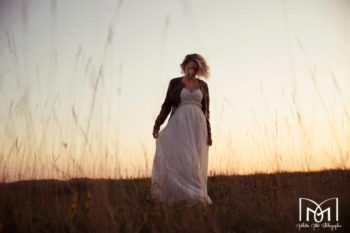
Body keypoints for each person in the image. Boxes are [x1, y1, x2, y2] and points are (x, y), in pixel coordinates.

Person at [151, 53, 213, 205]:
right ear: (183, 67)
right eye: (189, 68)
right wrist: (157, 124)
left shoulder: (203, 86)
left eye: (195, 69)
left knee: (194, 160)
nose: (191, 71)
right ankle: (176, 194)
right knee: (180, 158)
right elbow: (166, 105)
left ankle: (196, 196)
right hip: (179, 123)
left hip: (198, 126)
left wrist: (209, 133)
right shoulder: (175, 83)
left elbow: (206, 111)